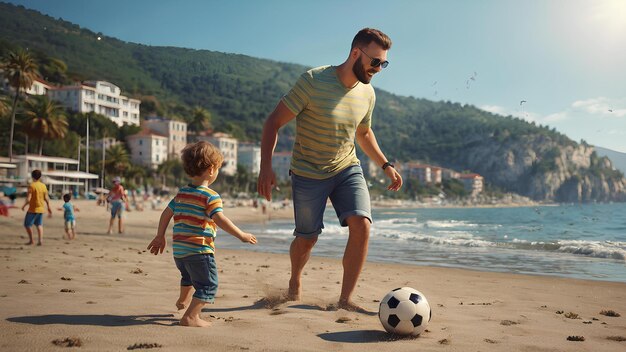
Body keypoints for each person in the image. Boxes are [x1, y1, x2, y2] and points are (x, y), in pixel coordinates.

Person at [257, 28, 403, 312]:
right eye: (375, 61)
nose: (378, 69)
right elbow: (273, 122)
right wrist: (265, 167)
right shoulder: (313, 81)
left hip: (347, 167)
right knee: (308, 237)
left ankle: (345, 300)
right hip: (308, 172)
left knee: (362, 225)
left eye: (384, 63)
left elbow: (363, 133)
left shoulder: (368, 93)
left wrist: (385, 165)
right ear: (355, 53)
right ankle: (295, 280)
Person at [147, 141, 258, 327]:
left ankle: (183, 301)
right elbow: (220, 219)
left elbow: (166, 213)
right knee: (208, 285)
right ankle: (190, 317)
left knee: (188, 277)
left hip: (180, 252)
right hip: (199, 250)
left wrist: (160, 236)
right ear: (212, 170)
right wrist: (242, 235)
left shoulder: (182, 193)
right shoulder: (210, 196)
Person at [21, 169, 52, 245]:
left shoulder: (32, 185)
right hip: (41, 208)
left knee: (27, 224)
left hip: (33, 209)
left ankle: (31, 240)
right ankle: (40, 240)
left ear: (32, 176)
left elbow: (28, 199)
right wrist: (48, 207)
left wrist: (24, 206)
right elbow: (46, 198)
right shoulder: (43, 186)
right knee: (39, 224)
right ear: (40, 176)